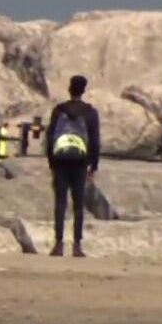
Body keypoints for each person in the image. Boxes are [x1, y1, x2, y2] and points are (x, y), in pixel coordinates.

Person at [45, 75, 101, 257]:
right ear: (83, 90)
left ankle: (58, 243)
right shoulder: (90, 112)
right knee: (78, 204)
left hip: (61, 161)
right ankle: (77, 245)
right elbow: (94, 139)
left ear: (70, 89)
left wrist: (51, 161)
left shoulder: (58, 110)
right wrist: (94, 164)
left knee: (60, 202)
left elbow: (50, 137)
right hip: (80, 162)